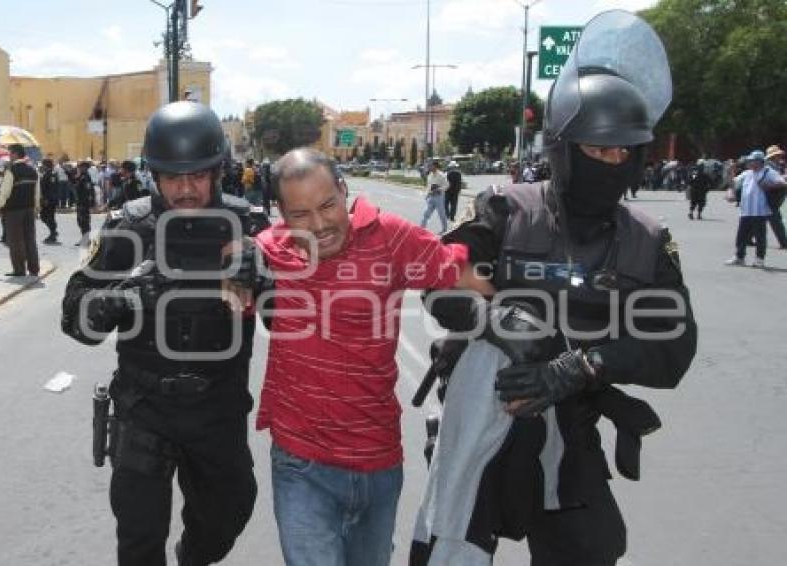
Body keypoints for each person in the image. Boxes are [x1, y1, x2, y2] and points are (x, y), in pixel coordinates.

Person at [415, 11, 697, 565]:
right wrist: (502, 326)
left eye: (623, 151)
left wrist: (576, 367)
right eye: (597, 149)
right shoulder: (502, 208)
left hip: (570, 421)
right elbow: (439, 283)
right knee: (447, 543)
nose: (612, 161)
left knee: (593, 548)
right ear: (564, 147)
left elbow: (673, 348)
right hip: (486, 416)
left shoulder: (646, 239)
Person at [252, 148, 490, 566]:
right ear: (282, 216)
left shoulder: (392, 236)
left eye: (328, 205)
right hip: (300, 463)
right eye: (301, 214)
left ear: (344, 191)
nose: (320, 224)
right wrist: (233, 274)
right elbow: (226, 269)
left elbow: (466, 275)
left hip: (378, 463)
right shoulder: (269, 250)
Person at [61, 101, 262, 566]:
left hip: (218, 409)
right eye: (173, 177)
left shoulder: (250, 226)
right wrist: (124, 296)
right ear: (154, 174)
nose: (186, 188)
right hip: (144, 408)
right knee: (138, 538)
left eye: (198, 175)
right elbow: (75, 320)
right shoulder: (127, 226)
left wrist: (264, 275)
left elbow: (290, 315)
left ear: (217, 172)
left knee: (226, 515)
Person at [725, 150, 786, 268]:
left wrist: (768, 186)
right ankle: (739, 257)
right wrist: (729, 172)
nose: (749, 163)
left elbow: (783, 183)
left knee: (760, 236)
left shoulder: (769, 172)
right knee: (741, 236)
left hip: (760, 211)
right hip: (746, 210)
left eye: (752, 161)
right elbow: (733, 183)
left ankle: (759, 259)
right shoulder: (747, 173)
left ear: (759, 162)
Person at [0, 144, 41, 276]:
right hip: (29, 209)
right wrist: (36, 208)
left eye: (10, 153)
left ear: (15, 154)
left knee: (15, 240)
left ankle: (19, 269)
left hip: (14, 210)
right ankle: (34, 268)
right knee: (30, 239)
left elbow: (5, 192)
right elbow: (37, 192)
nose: (9, 156)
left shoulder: (12, 170)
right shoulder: (33, 170)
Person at [764, 145, 787, 248]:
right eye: (778, 155)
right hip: (770, 197)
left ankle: (747, 238)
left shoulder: (776, 166)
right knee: (776, 220)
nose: (780, 157)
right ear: (773, 157)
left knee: (757, 218)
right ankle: (784, 242)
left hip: (774, 197)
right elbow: (772, 180)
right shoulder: (769, 167)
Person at [420, 159, 448, 233]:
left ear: (435, 166)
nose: (429, 167)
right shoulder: (430, 175)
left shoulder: (441, 175)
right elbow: (428, 186)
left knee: (441, 214)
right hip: (431, 197)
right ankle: (421, 229)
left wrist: (439, 189)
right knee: (426, 213)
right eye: (429, 166)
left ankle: (444, 229)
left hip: (439, 197)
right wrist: (427, 195)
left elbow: (447, 185)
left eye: (431, 165)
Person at [39, 158, 60, 243]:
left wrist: (47, 199)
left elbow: (51, 188)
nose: (42, 166)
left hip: (49, 200)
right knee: (45, 216)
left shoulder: (51, 174)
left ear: (46, 165)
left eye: (43, 165)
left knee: (48, 216)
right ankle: (53, 232)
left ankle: (53, 233)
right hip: (48, 199)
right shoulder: (47, 173)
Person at [74, 160, 94, 246]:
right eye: (79, 167)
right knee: (80, 221)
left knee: (84, 221)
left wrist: (89, 202)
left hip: (84, 202)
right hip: (80, 201)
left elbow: (88, 190)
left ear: (85, 168)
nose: (80, 168)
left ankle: (87, 239)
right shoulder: (81, 176)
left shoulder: (86, 177)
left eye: (81, 167)